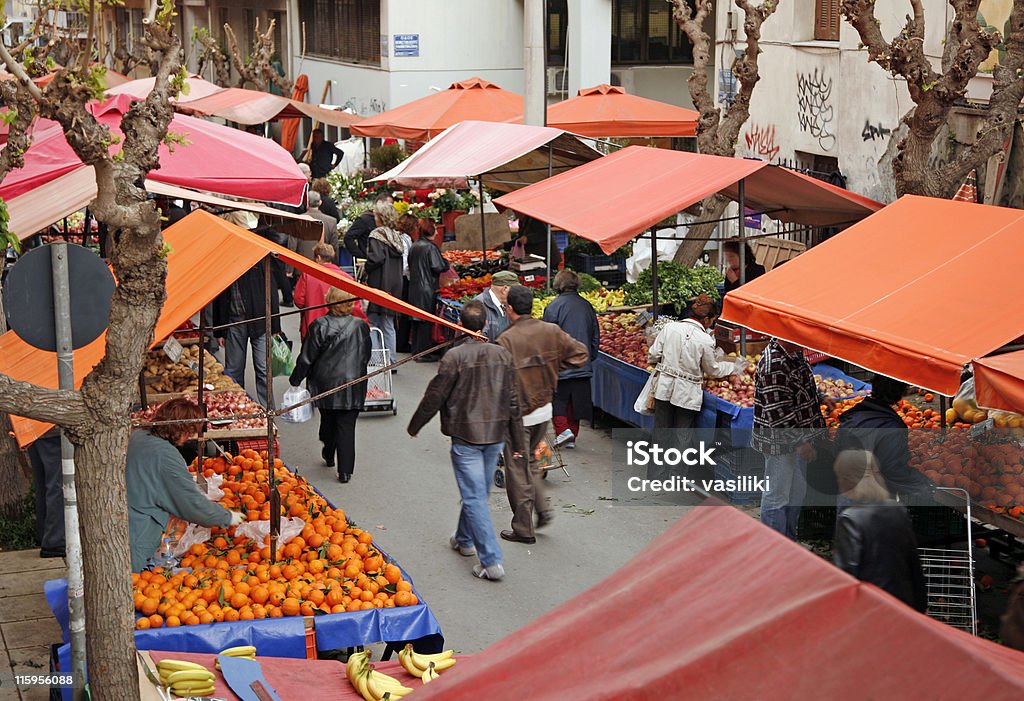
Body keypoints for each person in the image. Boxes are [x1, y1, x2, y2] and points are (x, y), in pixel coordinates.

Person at [407, 300, 525, 581]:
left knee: (474, 496)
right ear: (486, 324)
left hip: (465, 436)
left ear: (460, 325)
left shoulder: (454, 357)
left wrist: (416, 425)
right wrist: (518, 442)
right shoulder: (502, 355)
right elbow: (512, 402)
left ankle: (491, 560)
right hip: (494, 435)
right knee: (477, 495)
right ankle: (464, 539)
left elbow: (435, 396)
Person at [497, 286, 589, 544]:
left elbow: (497, 381)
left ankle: (523, 528)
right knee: (530, 464)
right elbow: (581, 354)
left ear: (510, 309)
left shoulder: (506, 339)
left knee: (517, 469)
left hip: (518, 416)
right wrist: (554, 368)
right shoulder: (551, 331)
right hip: (544, 410)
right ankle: (543, 508)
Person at [126, 398, 244, 572]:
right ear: (182, 429)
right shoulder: (166, 456)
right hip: (137, 534)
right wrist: (227, 517)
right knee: (140, 580)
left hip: (125, 519)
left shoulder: (138, 436)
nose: (190, 437)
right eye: (190, 432)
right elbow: (190, 503)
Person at [647, 295, 742, 477]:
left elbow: (652, 355)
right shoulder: (705, 339)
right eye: (712, 321)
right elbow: (712, 369)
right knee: (683, 434)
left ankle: (656, 474)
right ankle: (676, 475)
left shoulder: (670, 328)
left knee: (661, 431)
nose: (711, 325)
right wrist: (733, 367)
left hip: (664, 386)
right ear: (706, 319)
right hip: (687, 392)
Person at [289, 288, 372, 483]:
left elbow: (307, 357)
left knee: (329, 420)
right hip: (354, 382)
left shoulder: (320, 325)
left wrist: (296, 379)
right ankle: (345, 471)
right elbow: (366, 354)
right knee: (346, 425)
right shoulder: (360, 326)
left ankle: (329, 450)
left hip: (326, 383)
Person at [832, 450, 927, 612]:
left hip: (871, 608)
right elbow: (913, 561)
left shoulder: (850, 519)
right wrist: (921, 604)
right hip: (903, 606)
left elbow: (846, 575)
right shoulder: (897, 509)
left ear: (846, 479)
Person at [752, 338, 828, 539]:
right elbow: (779, 413)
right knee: (777, 496)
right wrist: (800, 443)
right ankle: (774, 545)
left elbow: (802, 382)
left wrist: (820, 397)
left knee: (796, 493)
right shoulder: (773, 365)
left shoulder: (794, 353)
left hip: (799, 436)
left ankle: (788, 540)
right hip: (780, 443)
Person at [835, 374, 933, 500]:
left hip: (846, 494)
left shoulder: (850, 417)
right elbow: (893, 470)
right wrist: (924, 483)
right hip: (872, 498)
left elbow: (837, 452)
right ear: (899, 394)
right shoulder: (892, 427)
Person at [542, 270, 599, 449]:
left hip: (561, 363)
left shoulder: (553, 307)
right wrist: (590, 356)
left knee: (558, 399)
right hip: (583, 362)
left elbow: (547, 337)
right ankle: (571, 436)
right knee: (576, 402)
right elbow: (595, 335)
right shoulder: (587, 306)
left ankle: (563, 431)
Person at [212, 261, 281, 407]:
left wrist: (275, 327)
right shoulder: (224, 265)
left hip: (260, 321)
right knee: (233, 370)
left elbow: (272, 293)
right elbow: (218, 298)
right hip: (233, 322)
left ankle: (268, 410)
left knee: (263, 370)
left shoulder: (259, 262)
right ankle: (237, 407)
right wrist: (219, 331)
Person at [293, 243, 366, 341]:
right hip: (341, 330)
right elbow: (355, 306)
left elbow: (299, 300)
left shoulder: (308, 275)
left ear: (318, 257)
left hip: (312, 325)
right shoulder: (347, 278)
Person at [364, 201, 405, 364]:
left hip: (380, 283)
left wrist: (366, 266)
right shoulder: (397, 236)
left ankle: (377, 358)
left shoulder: (377, 235)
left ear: (381, 217)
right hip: (395, 284)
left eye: (376, 215)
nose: (374, 218)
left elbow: (376, 258)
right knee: (388, 323)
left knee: (373, 321)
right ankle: (392, 360)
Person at [408, 218, 450, 358]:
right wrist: (446, 263)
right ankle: (424, 353)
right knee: (425, 322)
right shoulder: (430, 247)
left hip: (415, 286)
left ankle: (417, 350)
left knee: (417, 322)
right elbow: (438, 266)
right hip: (426, 288)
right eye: (435, 229)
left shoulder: (415, 246)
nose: (438, 232)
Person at [28, 428, 65, 558]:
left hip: (32, 431)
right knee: (58, 485)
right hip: (51, 429)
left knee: (45, 486)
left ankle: (46, 535)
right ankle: (55, 540)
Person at [473, 270, 520, 342]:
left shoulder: (507, 304)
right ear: (505, 289)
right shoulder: (478, 306)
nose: (516, 294)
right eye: (514, 290)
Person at [345, 191, 394, 260]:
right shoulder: (365, 219)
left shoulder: (389, 222)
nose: (390, 208)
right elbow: (348, 237)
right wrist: (361, 256)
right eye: (388, 205)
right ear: (379, 202)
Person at [297, 191, 338, 258]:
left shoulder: (297, 220)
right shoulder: (331, 222)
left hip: (303, 264)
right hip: (323, 265)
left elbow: (292, 247)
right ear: (320, 202)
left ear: (306, 203)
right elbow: (335, 247)